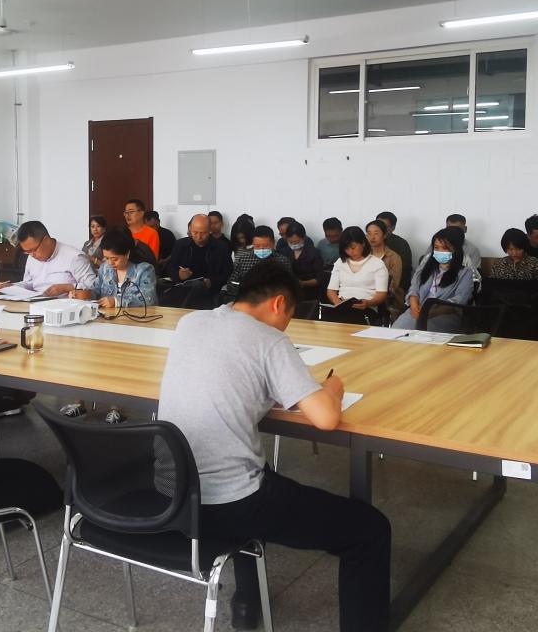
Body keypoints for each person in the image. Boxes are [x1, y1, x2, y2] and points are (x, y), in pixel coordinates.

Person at [158, 262, 391, 632]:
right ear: (279, 303)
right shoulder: (270, 341)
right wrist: (332, 388)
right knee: (370, 530)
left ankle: (247, 601)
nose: (286, 326)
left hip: (172, 494)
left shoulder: (191, 322)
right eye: (290, 316)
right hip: (229, 503)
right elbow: (326, 418)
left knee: (260, 475)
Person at [68, 228, 158, 423]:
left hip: (134, 329)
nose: (110, 263)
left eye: (114, 259)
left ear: (127, 254)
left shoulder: (144, 270)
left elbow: (149, 299)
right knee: (82, 352)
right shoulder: (105, 268)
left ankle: (117, 408)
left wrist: (116, 301)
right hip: (105, 324)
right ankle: (78, 402)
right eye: (107, 258)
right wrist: (85, 294)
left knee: (118, 360)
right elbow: (97, 290)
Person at [393, 228, 474, 332]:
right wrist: (414, 305)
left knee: (421, 334)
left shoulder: (465, 273)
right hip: (418, 310)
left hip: (444, 315)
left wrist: (431, 312)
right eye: (436, 247)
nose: (440, 251)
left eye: (445, 248)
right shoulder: (425, 268)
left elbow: (460, 300)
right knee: (397, 330)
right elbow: (414, 288)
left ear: (455, 249)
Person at [0, 221, 95, 298]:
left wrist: (67, 287)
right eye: (27, 251)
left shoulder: (74, 257)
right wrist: (11, 286)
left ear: (46, 240)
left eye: (34, 250)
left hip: (65, 308)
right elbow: (29, 284)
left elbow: (93, 287)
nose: (32, 255)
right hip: (36, 305)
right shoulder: (31, 257)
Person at [166, 214, 233, 305]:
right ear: (190, 229)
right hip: (183, 292)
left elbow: (228, 271)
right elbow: (170, 267)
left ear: (210, 230)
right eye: (195, 232)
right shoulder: (181, 245)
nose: (199, 237)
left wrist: (212, 282)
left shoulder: (221, 247)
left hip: (211, 294)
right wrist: (179, 274)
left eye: (203, 233)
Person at [326, 226, 389, 314]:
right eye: (346, 249)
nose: (350, 252)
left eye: (353, 248)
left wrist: (368, 303)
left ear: (363, 243)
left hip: (366, 309)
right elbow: (331, 290)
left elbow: (381, 294)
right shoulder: (340, 262)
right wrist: (338, 303)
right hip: (342, 306)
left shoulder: (377, 264)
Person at [225, 226, 291, 298]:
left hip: (274, 299)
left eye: (265, 246)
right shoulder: (243, 260)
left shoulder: (282, 261)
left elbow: (289, 285)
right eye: (257, 246)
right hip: (247, 299)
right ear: (253, 243)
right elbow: (231, 283)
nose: (261, 248)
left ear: (273, 243)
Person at [276, 221, 324, 298]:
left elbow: (320, 279)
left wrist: (303, 283)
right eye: (291, 242)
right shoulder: (283, 252)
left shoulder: (314, 253)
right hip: (289, 292)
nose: (294, 244)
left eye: (296, 242)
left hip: (310, 293)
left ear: (303, 238)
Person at [365, 220, 403, 312]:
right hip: (362, 294)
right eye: (369, 233)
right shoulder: (363, 255)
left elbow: (393, 286)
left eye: (376, 233)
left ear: (385, 235)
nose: (372, 237)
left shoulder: (394, 257)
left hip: (385, 300)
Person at [376, 212, 413, 287]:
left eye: (385, 226)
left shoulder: (401, 244)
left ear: (393, 228)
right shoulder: (367, 241)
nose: (380, 229)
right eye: (378, 225)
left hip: (391, 283)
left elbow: (405, 270)